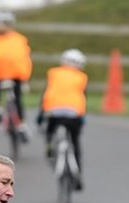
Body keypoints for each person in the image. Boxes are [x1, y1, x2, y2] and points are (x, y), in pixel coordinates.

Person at [36, 48, 88, 190]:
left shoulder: (53, 74)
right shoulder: (82, 77)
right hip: (74, 113)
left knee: (49, 130)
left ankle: (50, 148)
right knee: (75, 141)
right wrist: (82, 118)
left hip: (54, 112)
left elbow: (45, 96)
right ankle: (77, 173)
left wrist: (40, 117)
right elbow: (83, 99)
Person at [0, 11, 33, 141]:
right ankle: (22, 125)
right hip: (18, 75)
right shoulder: (20, 39)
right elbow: (26, 59)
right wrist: (26, 77)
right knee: (18, 99)